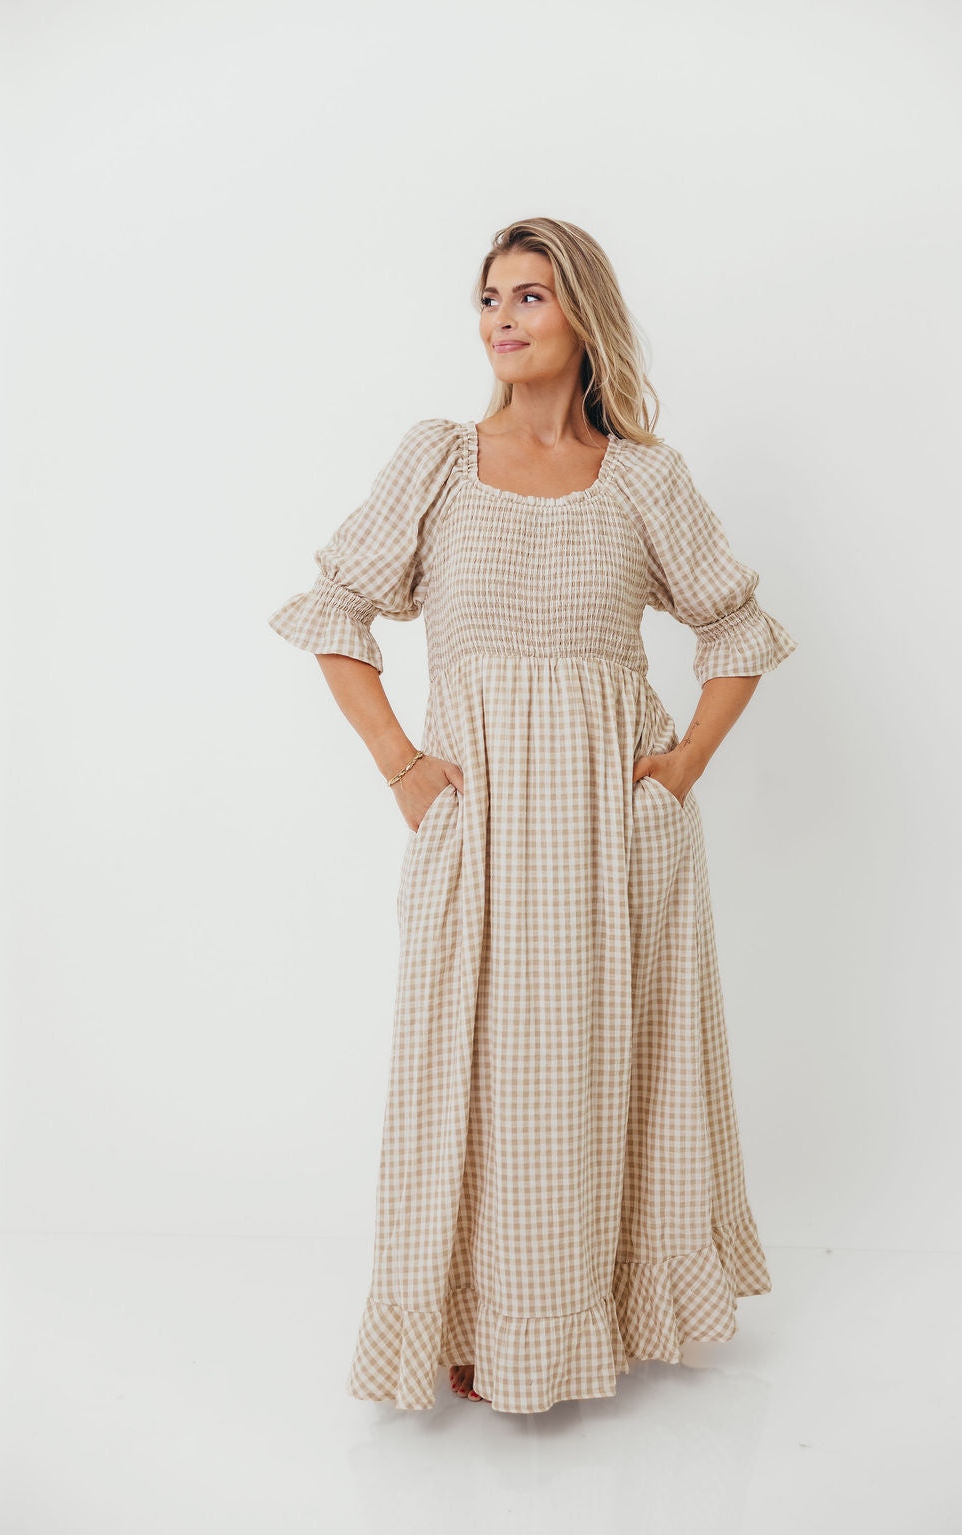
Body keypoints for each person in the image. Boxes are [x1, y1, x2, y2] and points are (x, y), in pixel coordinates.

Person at [268, 216, 798, 1415]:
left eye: (529, 296)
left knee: (608, 1067)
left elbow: (736, 628)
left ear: (583, 317)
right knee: (471, 1069)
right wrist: (403, 766)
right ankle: (476, 1314)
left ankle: (594, 1311)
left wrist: (680, 768)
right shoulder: (438, 459)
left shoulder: (646, 477)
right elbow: (336, 609)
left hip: (615, 830)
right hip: (483, 824)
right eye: (488, 297)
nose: (500, 318)